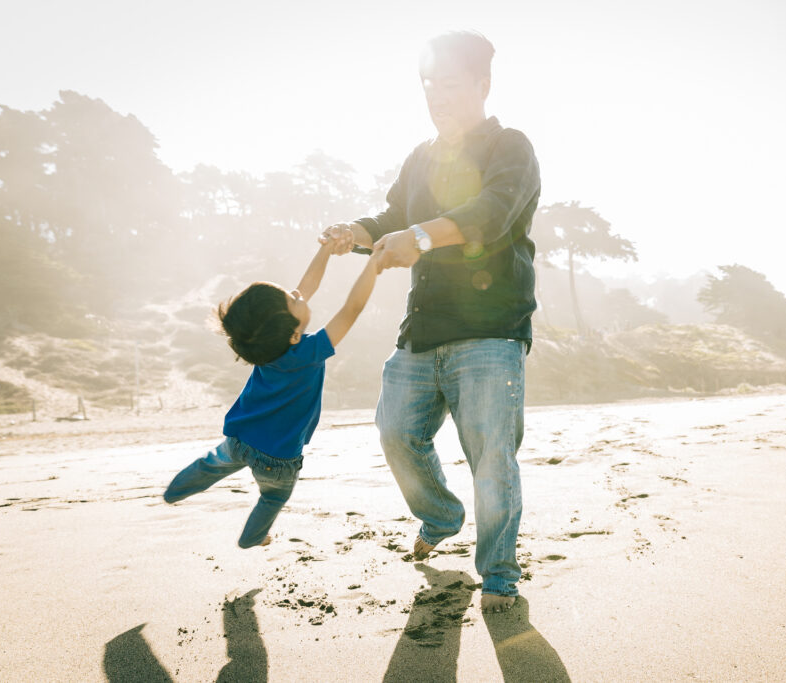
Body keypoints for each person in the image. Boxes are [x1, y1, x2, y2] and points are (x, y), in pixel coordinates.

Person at [319, 30, 541, 613]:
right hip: (422, 331)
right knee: (396, 433)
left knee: (492, 458)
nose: (437, 96)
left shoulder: (511, 147)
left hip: (492, 332)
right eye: (428, 85)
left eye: (450, 85)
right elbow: (393, 215)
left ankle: (498, 575)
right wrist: (358, 234)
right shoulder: (420, 157)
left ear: (482, 85)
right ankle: (441, 514)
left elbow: (491, 213)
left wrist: (419, 237)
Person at [163, 242, 381, 548]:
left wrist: (325, 251)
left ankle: (175, 491)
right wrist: (374, 266)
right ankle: (252, 537)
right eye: (292, 298)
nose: (297, 293)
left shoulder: (264, 347)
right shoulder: (311, 350)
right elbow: (352, 308)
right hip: (278, 457)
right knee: (273, 497)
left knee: (211, 464)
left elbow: (305, 288)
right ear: (292, 331)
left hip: (239, 441)